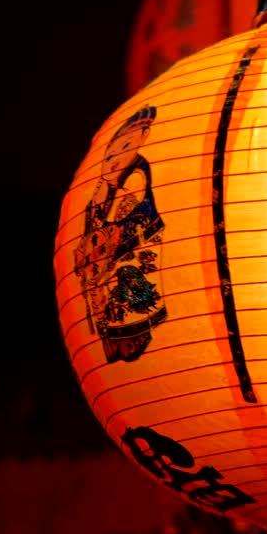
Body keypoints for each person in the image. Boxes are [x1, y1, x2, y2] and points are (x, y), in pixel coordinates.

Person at [73, 105, 167, 363]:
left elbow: (114, 226)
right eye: (111, 153)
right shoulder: (103, 187)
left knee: (131, 305)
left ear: (142, 140)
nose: (115, 158)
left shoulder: (135, 175)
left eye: (125, 148)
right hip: (104, 269)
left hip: (130, 254)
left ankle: (132, 339)